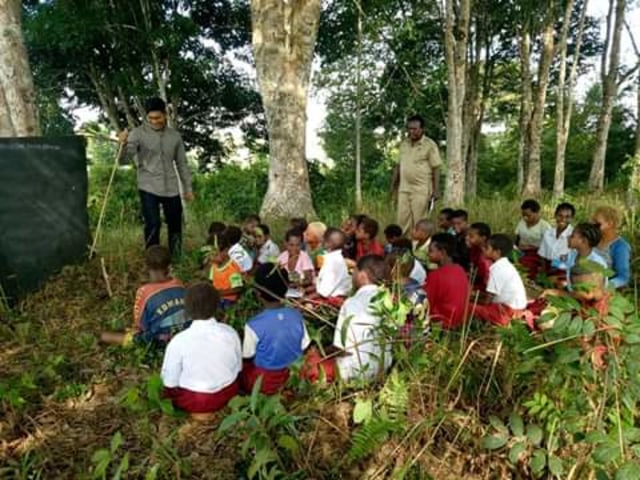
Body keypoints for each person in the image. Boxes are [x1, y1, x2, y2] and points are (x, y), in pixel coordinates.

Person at [119, 97, 193, 256]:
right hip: (148, 185)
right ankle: (153, 259)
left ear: (165, 115)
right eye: (151, 118)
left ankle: (177, 257)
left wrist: (188, 188)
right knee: (153, 224)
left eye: (158, 118)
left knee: (175, 223)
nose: (154, 121)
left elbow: (182, 164)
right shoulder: (136, 134)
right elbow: (123, 160)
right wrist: (123, 144)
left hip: (171, 187)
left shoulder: (175, 136)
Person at [302, 255, 392, 383]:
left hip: (355, 372)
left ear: (362, 275)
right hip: (382, 368)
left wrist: (321, 353)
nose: (352, 276)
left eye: (353, 272)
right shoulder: (389, 301)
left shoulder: (352, 303)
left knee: (309, 364)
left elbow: (341, 348)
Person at [161, 283, 241, 414]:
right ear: (217, 307)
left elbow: (170, 382)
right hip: (228, 394)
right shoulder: (230, 333)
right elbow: (238, 368)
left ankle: (197, 415)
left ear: (186, 311)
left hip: (195, 400)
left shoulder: (178, 341)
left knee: (168, 393)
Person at [241, 264, 311, 395]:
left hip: (265, 382)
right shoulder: (297, 315)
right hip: (293, 376)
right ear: (286, 290)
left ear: (257, 293)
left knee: (243, 370)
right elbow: (305, 346)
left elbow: (247, 356)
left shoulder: (253, 324)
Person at [100, 246, 188, 346]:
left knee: (108, 335)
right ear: (169, 266)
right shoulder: (180, 285)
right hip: (185, 336)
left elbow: (140, 326)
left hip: (159, 341)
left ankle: (102, 336)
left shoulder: (144, 291)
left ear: (146, 267)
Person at [393, 115, 442, 234]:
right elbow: (398, 166)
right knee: (402, 220)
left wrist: (436, 189)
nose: (411, 132)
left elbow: (436, 167)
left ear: (422, 129)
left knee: (420, 222)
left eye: (415, 129)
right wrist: (393, 185)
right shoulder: (404, 144)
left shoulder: (429, 145)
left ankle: (419, 249)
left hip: (421, 189)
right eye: (409, 129)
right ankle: (402, 247)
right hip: (404, 188)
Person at [472, 234, 527, 327]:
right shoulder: (504, 264)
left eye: (487, 248)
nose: (483, 250)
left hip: (508, 311)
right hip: (516, 307)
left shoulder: (497, 269)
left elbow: (489, 298)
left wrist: (481, 307)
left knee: (469, 308)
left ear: (497, 252)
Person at [424, 234, 470, 329]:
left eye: (431, 251)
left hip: (441, 323)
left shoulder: (435, 275)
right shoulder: (460, 269)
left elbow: (427, 303)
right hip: (459, 321)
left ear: (443, 252)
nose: (428, 254)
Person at [592, 206, 632, 289]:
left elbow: (623, 278)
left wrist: (604, 287)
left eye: (596, 222)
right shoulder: (592, 239)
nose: (592, 224)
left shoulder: (620, 247)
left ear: (610, 223)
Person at [515, 199, 551, 280]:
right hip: (520, 251)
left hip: (537, 254)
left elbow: (548, 247)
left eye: (528, 215)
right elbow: (517, 239)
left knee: (525, 265)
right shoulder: (521, 223)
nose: (525, 218)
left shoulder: (545, 226)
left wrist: (531, 248)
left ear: (537, 213)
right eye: (523, 215)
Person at [314, 228, 352, 303]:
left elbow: (323, 292)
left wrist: (303, 300)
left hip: (333, 300)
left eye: (323, 239)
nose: (321, 241)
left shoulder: (334, 262)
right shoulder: (333, 258)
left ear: (328, 244)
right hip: (329, 295)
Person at [538, 203, 575, 277]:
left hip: (564, 270)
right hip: (548, 267)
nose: (563, 219)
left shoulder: (573, 235)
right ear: (555, 215)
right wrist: (543, 272)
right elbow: (542, 256)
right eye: (560, 216)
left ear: (572, 218)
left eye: (567, 217)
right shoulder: (548, 233)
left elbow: (573, 259)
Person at [209, 232, 244, 308]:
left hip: (229, 301)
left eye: (214, 255)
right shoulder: (214, 266)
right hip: (217, 298)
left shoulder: (232, 267)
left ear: (225, 251)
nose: (211, 258)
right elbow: (211, 282)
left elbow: (237, 288)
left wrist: (219, 293)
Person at [466, 222, 492, 292]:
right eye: (467, 235)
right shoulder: (474, 249)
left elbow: (486, 279)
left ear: (483, 238)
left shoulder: (486, 257)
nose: (467, 238)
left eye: (471, 236)